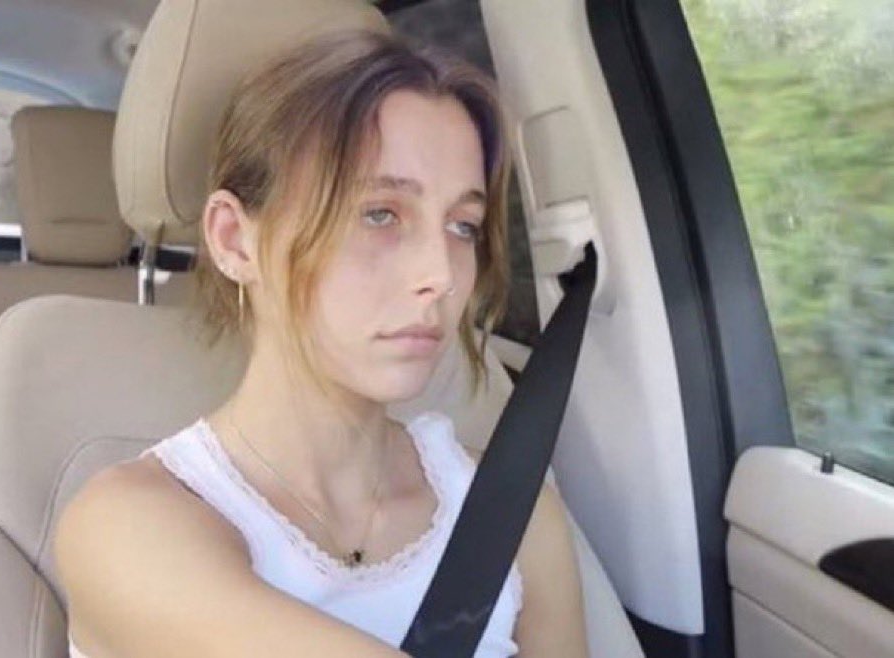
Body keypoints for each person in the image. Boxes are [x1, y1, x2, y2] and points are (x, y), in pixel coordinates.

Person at [54, 29, 588, 658]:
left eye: (463, 225)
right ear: (234, 240)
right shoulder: (127, 526)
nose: (442, 274)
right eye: (380, 214)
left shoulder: (515, 512)